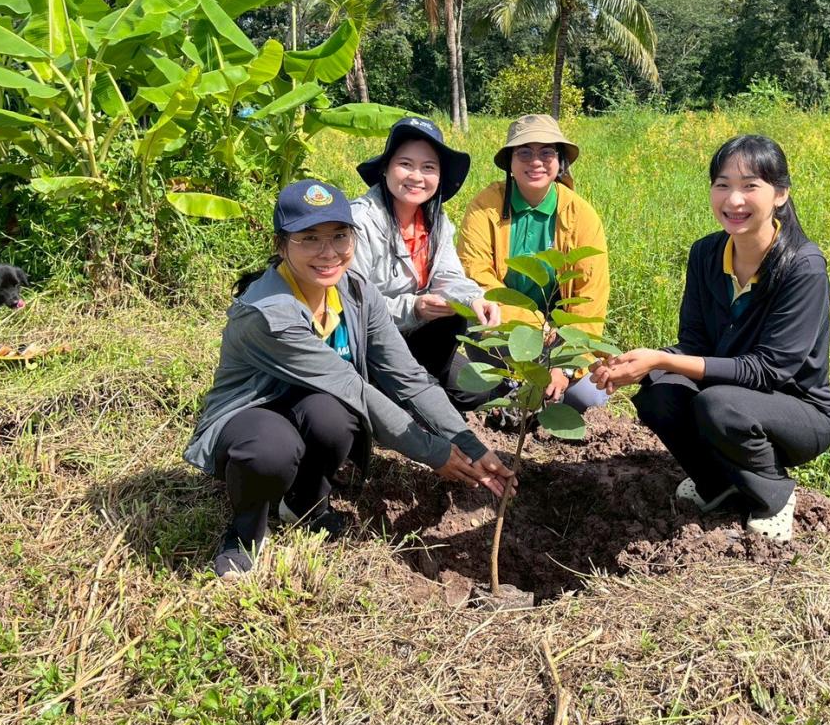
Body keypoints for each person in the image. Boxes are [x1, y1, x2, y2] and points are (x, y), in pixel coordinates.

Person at [184, 179, 516, 579]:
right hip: (253, 411)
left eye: (340, 236)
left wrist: (467, 443)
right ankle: (244, 535)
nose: (328, 253)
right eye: (309, 239)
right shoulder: (269, 313)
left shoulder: (357, 293)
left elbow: (408, 377)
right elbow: (353, 387)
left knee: (337, 417)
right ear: (281, 245)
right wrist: (434, 452)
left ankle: (303, 503)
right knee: (271, 448)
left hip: (315, 401)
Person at [588, 134, 830, 542]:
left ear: (780, 195)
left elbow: (770, 370)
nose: (733, 200)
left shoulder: (802, 267)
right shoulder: (705, 254)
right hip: (729, 395)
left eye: (749, 186)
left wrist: (663, 359)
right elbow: (694, 343)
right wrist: (638, 363)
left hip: (799, 412)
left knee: (717, 404)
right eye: (722, 185)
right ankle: (717, 483)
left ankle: (773, 494)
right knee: (657, 391)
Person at [458, 114, 609, 415]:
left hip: (561, 339)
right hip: (502, 329)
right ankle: (515, 393)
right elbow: (475, 275)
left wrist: (564, 367)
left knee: (586, 398)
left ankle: (538, 392)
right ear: (510, 162)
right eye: (524, 152)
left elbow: (590, 298)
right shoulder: (485, 206)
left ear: (560, 161)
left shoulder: (580, 215)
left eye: (546, 152)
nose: (535, 161)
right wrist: (533, 324)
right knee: (486, 383)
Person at [349, 116, 500, 411]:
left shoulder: (437, 222)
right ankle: (393, 398)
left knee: (477, 391)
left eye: (428, 167)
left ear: (439, 176)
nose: (416, 176)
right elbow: (352, 305)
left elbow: (448, 276)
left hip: (414, 338)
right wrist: (413, 308)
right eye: (405, 164)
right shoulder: (360, 222)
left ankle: (411, 393)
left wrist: (474, 298)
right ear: (385, 168)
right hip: (369, 343)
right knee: (447, 329)